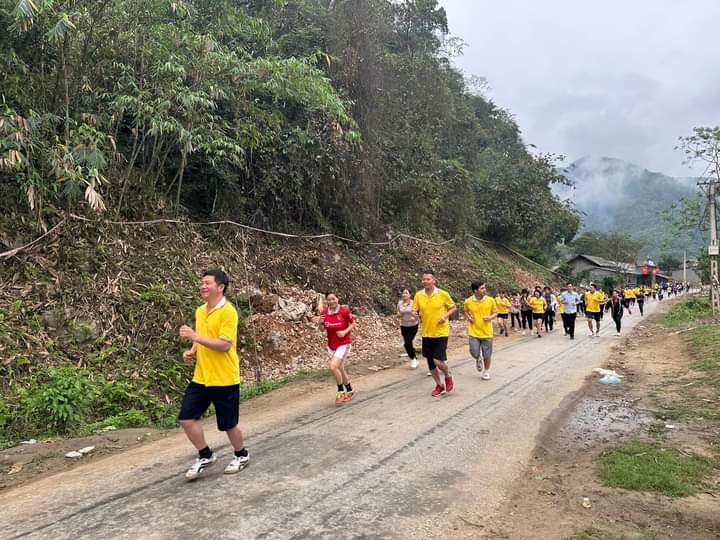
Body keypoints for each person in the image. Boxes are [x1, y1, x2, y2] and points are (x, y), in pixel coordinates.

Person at [178, 269, 249, 480]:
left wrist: (195, 337)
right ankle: (205, 455)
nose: (203, 286)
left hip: (224, 377)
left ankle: (241, 455)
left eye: (207, 283)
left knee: (228, 424)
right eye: (202, 283)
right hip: (201, 377)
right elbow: (202, 336)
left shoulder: (228, 312)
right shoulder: (201, 311)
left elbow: (224, 345)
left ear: (221, 287)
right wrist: (193, 350)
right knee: (186, 418)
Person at [413, 270, 457, 397]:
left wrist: (445, 316)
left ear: (434, 280)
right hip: (426, 333)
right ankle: (439, 385)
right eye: (423, 279)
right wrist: (415, 315)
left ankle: (448, 376)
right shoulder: (418, 295)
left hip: (441, 332)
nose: (425, 281)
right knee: (430, 363)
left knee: (437, 360)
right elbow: (415, 310)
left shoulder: (443, 294)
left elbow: (453, 308)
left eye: (428, 279)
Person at [318, 292, 356, 405]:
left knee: (333, 366)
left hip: (344, 343)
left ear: (337, 299)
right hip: (332, 345)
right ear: (326, 301)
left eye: (333, 299)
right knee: (340, 369)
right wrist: (320, 323)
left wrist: (344, 332)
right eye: (329, 299)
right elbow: (321, 329)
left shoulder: (344, 311)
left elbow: (353, 323)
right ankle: (349, 390)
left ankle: (340, 391)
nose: (331, 301)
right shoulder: (324, 313)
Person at [464, 281, 498, 380]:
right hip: (473, 331)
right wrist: (468, 317)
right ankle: (478, 358)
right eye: (482, 288)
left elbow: (495, 312)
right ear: (475, 291)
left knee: (487, 355)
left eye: (484, 288)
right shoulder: (468, 301)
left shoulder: (490, 300)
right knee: (474, 351)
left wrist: (490, 317)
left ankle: (486, 371)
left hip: (487, 332)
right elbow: (465, 311)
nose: (484, 290)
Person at [397, 289, 420, 369]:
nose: (404, 294)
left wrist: (415, 317)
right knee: (408, 343)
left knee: (407, 343)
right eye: (403, 293)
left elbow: (419, 314)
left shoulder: (414, 303)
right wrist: (399, 315)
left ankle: (413, 359)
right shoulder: (400, 303)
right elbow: (398, 313)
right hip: (404, 326)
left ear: (410, 295)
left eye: (406, 293)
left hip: (413, 326)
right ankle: (414, 357)